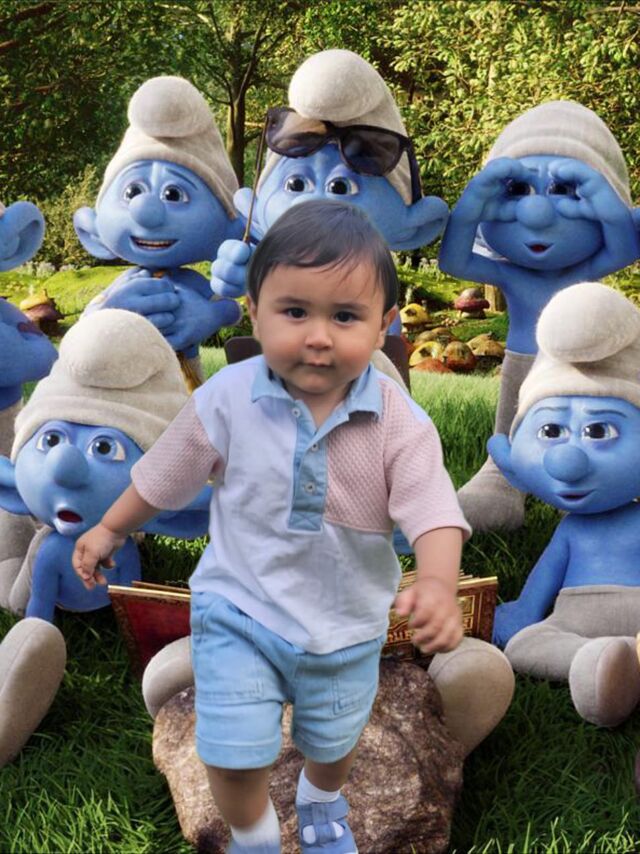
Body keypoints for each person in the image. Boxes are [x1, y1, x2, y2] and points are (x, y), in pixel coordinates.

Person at [73, 201, 469, 854]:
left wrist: (436, 581)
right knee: (230, 751)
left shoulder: (398, 420)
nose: (318, 336)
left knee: (333, 741)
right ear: (254, 313)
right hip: (240, 609)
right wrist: (109, 528)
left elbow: (434, 513)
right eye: (295, 312)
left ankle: (321, 798)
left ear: (384, 325)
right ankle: (254, 836)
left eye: (345, 317)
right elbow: (164, 474)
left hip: (344, 624)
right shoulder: (227, 398)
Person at [439, 100, 640, 532]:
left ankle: (591, 497)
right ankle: (500, 480)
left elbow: (626, 247)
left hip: (579, 372)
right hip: (521, 364)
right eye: (517, 190)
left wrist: (598, 191)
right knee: (510, 433)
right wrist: (475, 199)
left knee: (578, 431)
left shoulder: (582, 269)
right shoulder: (510, 275)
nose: (537, 212)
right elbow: (453, 261)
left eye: (563, 192)